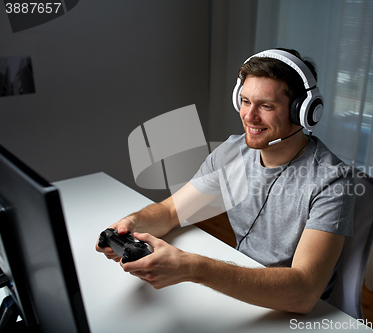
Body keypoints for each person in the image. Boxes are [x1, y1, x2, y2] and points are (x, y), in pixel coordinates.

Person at [96, 48, 354, 315]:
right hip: (238, 285)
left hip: (289, 310)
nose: (249, 116)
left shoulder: (332, 181)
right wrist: (131, 224)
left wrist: (193, 268)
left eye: (266, 106)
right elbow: (173, 211)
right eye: (244, 101)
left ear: (303, 112)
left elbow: (303, 293)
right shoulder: (233, 151)